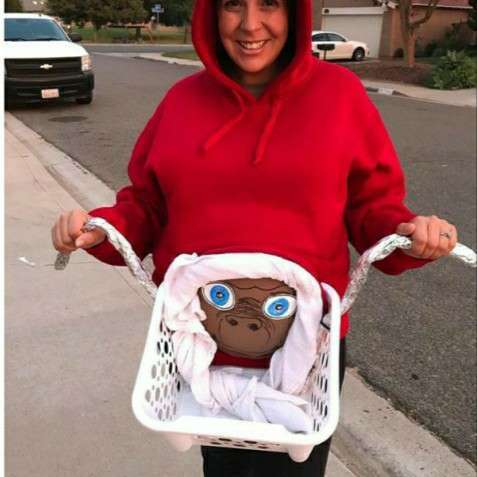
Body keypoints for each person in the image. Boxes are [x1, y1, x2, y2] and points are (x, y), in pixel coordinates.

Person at [51, 0, 458, 474]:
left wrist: (409, 236)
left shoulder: (341, 96)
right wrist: (100, 229)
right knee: (222, 470)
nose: (250, 24)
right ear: (211, 13)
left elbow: (372, 209)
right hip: (201, 351)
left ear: (295, 12)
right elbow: (146, 206)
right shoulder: (182, 102)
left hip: (304, 354)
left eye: (269, 4)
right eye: (232, 5)